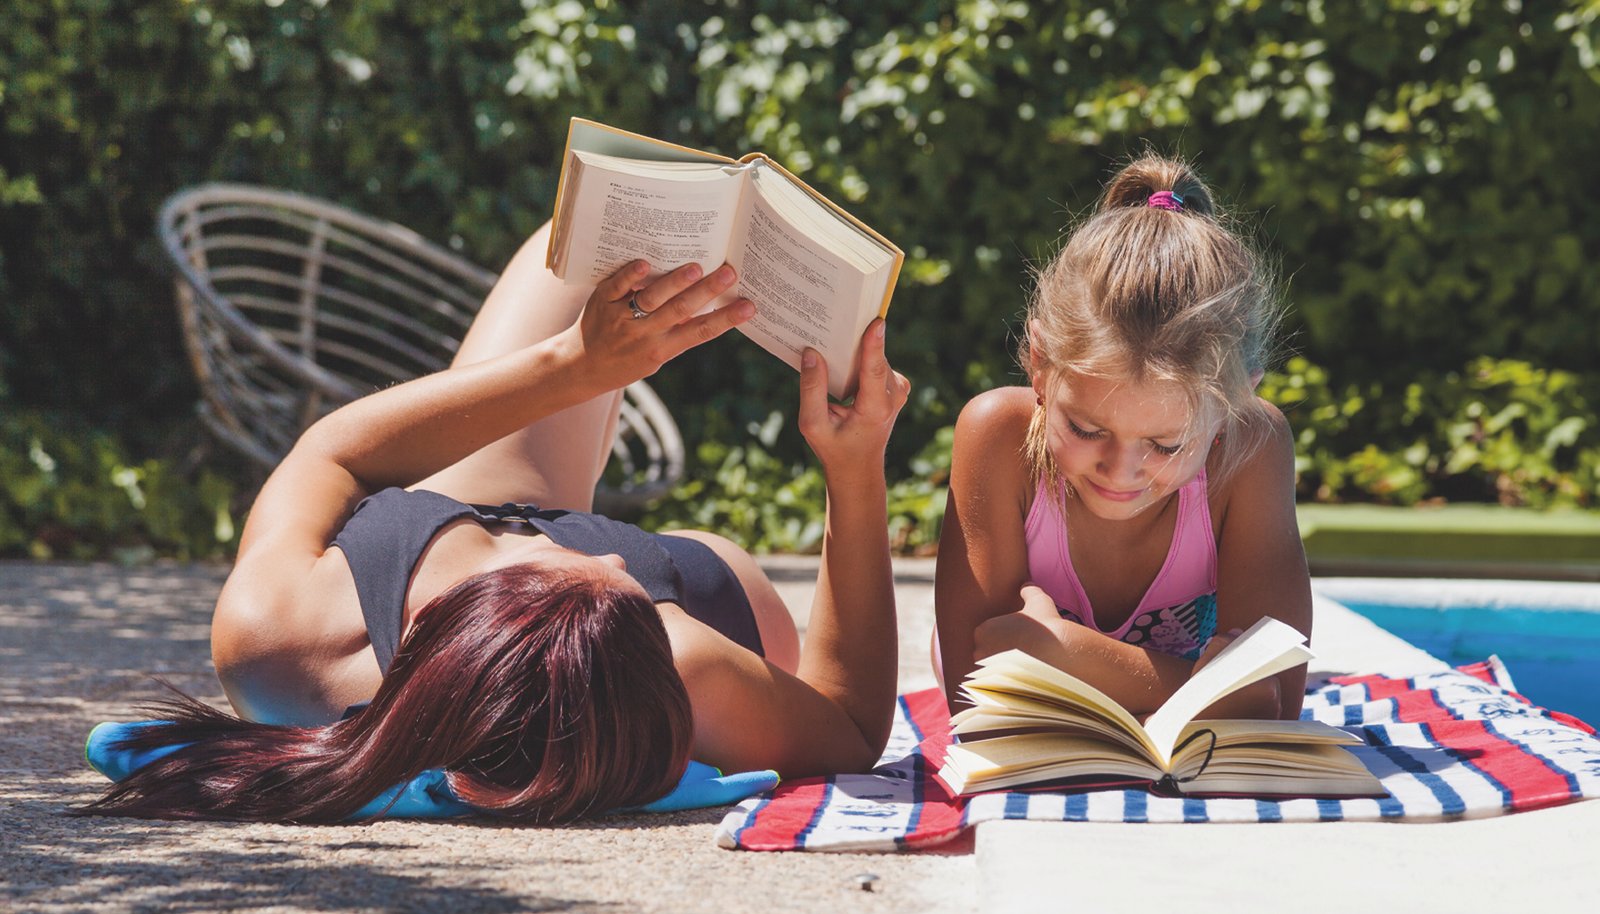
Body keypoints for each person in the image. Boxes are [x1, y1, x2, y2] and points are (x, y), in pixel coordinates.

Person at [82, 221, 911, 823]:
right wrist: (854, 465)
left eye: (588, 572)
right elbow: (848, 724)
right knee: (624, 251)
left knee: (594, 241)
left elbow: (330, 455)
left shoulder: (278, 637)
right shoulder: (683, 649)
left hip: (469, 522)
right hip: (686, 619)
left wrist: (574, 367)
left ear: (490, 601)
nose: (621, 562)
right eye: (631, 592)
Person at [934, 153, 1309, 721]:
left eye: (1165, 445)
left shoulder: (1251, 449)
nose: (1121, 469)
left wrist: (1067, 653)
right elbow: (977, 700)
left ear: (1230, 408)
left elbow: (1274, 705)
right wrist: (1208, 692)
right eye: (1086, 429)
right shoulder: (998, 436)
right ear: (1039, 364)